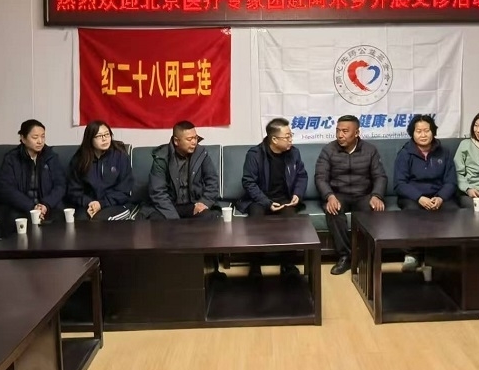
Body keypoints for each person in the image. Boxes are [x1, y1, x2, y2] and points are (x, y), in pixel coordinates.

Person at [236, 117, 308, 277]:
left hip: (284, 199)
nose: (291, 139)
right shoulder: (255, 154)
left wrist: (297, 193)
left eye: (291, 135)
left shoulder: (294, 153)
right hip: (259, 199)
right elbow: (249, 183)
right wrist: (267, 202)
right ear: (274, 139)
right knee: (255, 220)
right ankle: (255, 265)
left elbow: (301, 175)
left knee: (291, 220)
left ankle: (287, 264)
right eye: (287, 137)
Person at [316, 115, 387, 275]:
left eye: (345, 131)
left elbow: (380, 176)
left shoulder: (370, 150)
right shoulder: (328, 150)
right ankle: (345, 256)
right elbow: (320, 177)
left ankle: (366, 256)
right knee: (333, 211)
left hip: (363, 194)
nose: (340, 135)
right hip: (338, 194)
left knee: (374, 210)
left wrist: (376, 195)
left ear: (356, 133)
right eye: (338, 131)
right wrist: (329, 196)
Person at [394, 114, 457, 271]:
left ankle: (442, 254)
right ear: (412, 133)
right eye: (419, 131)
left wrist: (441, 197)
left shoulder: (444, 152)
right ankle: (412, 254)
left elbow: (451, 181)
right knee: (412, 211)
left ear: (433, 132)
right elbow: (400, 183)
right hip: (413, 196)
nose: (423, 135)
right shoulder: (405, 153)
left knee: (452, 210)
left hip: (438, 195)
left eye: (427, 131)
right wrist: (419, 198)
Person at [0, 119, 66, 233]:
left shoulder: (51, 157)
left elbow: (60, 185)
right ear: (23, 138)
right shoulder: (11, 159)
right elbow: (7, 188)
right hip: (22, 207)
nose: (40, 141)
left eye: (43, 137)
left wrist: (45, 205)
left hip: (48, 206)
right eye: (35, 137)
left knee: (59, 219)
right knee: (13, 220)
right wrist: (31, 207)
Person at [147, 121, 219, 220]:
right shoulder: (162, 158)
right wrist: (174, 218)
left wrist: (204, 203)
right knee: (156, 219)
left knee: (210, 216)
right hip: (170, 206)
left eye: (196, 138)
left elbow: (212, 182)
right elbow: (157, 192)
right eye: (189, 139)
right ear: (176, 141)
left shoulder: (201, 154)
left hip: (194, 205)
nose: (194, 142)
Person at [67, 121, 137, 221]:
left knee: (100, 221)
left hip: (116, 205)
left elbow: (124, 190)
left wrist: (101, 203)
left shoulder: (120, 157)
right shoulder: (80, 159)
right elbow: (74, 191)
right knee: (80, 221)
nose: (104, 139)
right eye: (99, 136)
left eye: (107, 134)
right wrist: (89, 203)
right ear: (90, 139)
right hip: (89, 205)